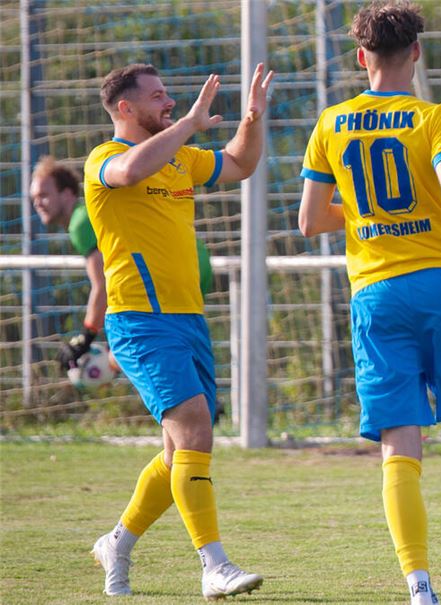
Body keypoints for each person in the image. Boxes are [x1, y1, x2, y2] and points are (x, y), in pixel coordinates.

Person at [297, 2, 441, 604]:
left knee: (401, 447)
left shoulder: (331, 123)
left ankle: (420, 589)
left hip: (375, 292)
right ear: (416, 53)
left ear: (360, 58)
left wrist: (361, 208)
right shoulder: (434, 116)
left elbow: (309, 220)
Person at [82, 61, 274, 598]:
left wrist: (253, 116)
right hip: (139, 319)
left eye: (169, 96)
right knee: (194, 427)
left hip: (188, 318)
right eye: (158, 96)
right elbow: (127, 174)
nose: (169, 103)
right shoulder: (106, 157)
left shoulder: (179, 159)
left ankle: (117, 542)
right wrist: (188, 123)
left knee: (177, 453)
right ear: (125, 108)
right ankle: (214, 565)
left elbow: (239, 163)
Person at [30, 157, 215, 377]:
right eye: (34, 198)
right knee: (163, 348)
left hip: (172, 268)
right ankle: (205, 400)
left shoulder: (81, 222)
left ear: (67, 193)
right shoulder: (89, 213)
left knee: (129, 350)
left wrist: (84, 338)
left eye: (44, 195)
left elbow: (103, 286)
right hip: (191, 260)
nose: (37, 203)